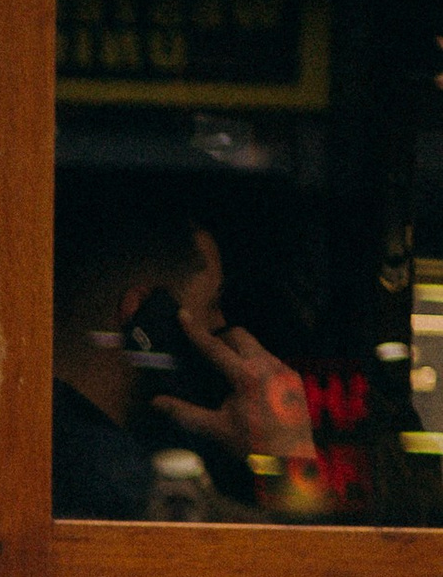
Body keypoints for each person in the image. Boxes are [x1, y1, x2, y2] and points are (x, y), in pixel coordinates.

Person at [52, 182, 327, 522]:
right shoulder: (128, 488)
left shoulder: (48, 442)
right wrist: (289, 453)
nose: (222, 324)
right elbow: (302, 570)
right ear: (143, 315)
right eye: (212, 304)